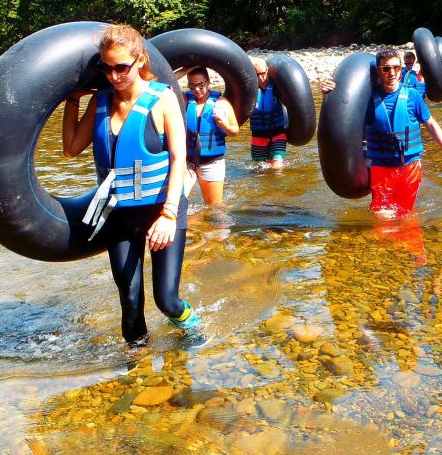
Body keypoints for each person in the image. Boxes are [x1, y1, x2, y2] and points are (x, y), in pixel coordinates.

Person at [62, 24, 200, 344]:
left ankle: (194, 329)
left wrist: (168, 214)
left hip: (161, 211)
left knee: (166, 301)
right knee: (130, 303)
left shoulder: (162, 98)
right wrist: (72, 101)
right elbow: (71, 149)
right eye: (106, 68)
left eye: (121, 67)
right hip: (118, 214)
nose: (114, 76)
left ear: (139, 60)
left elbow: (180, 158)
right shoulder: (101, 101)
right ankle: (135, 373)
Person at [321, 46, 442, 217]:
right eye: (386, 68)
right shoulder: (369, 101)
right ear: (379, 71)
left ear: (400, 68)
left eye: (395, 67)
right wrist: (328, 95)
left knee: (405, 216)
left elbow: (431, 124)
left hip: (410, 167)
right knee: (383, 217)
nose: (392, 73)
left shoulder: (412, 96)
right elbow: (343, 120)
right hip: (381, 168)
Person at [183, 67, 238, 205]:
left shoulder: (221, 102)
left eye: (200, 85)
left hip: (211, 162)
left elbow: (234, 131)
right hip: (187, 162)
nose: (196, 89)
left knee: (214, 207)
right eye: (192, 85)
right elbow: (163, 83)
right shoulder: (184, 99)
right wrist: (186, 69)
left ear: (208, 82)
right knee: (177, 202)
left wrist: (224, 125)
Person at [249, 57, 288, 168]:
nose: (262, 78)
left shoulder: (278, 87)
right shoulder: (249, 91)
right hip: (258, 135)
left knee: (277, 168)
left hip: (278, 133)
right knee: (259, 170)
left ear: (267, 70)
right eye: (257, 75)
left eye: (263, 73)